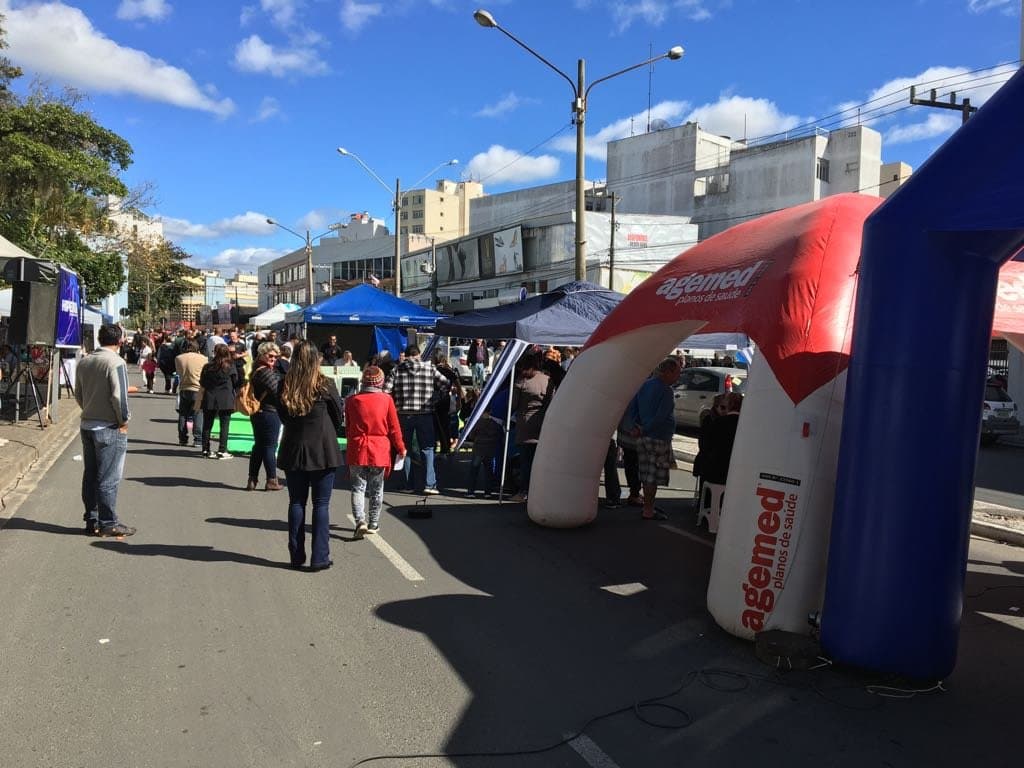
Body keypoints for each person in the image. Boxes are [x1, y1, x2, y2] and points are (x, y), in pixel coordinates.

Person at [274, 341, 344, 570]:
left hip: (294, 446)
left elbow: (283, 415)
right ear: (317, 360)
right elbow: (338, 415)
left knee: (296, 502)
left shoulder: (285, 384)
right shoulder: (325, 384)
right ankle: (319, 557)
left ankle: (296, 555)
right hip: (322, 448)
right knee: (321, 504)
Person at [74, 324, 134, 537]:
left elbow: (78, 393)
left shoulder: (85, 361)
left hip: (87, 423)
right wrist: (124, 420)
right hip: (109, 425)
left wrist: (88, 409)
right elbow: (120, 397)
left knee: (90, 475)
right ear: (119, 341)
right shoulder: (116, 362)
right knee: (109, 477)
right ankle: (108, 522)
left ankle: (91, 519)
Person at [344, 365, 406, 538]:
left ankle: (359, 521)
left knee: (358, 488)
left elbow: (348, 428)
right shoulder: (386, 400)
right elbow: (394, 429)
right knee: (376, 489)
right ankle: (373, 522)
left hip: (357, 447)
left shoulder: (351, 400)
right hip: (379, 448)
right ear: (380, 381)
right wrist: (401, 448)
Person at [383, 344, 450, 495]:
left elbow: (386, 391)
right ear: (419, 355)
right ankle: (430, 484)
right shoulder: (430, 368)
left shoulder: (396, 370)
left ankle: (407, 484)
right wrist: (435, 398)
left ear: (406, 355)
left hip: (403, 415)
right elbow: (446, 384)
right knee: (427, 449)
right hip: (425, 414)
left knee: (403, 449)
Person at [627, 357, 682, 520]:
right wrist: (645, 429)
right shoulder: (666, 390)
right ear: (668, 371)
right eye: (677, 372)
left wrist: (635, 427)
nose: (679, 376)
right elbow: (661, 416)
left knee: (645, 472)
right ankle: (648, 508)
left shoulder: (645, 385)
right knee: (653, 475)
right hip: (658, 437)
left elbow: (633, 407)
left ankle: (647, 505)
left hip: (644, 436)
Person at [510, 352, 554, 503]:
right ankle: (540, 492)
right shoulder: (548, 380)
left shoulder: (522, 382)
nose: (521, 371)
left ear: (529, 367)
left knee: (526, 462)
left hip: (525, 426)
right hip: (543, 425)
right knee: (540, 463)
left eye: (523, 368)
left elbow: (513, 405)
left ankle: (524, 492)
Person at [247, 342, 284, 491]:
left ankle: (252, 479)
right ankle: (271, 480)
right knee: (269, 446)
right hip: (269, 412)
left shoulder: (257, 369)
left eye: (276, 356)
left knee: (259, 446)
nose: (273, 358)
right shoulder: (265, 371)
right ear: (262, 354)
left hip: (259, 412)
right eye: (270, 355)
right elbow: (277, 392)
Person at [199, 344, 238, 459]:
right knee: (224, 425)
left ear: (215, 352)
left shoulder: (208, 366)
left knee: (207, 425)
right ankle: (222, 449)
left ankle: (205, 449)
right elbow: (236, 381)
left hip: (210, 397)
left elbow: (202, 382)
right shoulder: (230, 366)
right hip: (225, 398)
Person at [174, 340, 206, 447]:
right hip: (197, 388)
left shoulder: (179, 358)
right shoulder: (203, 358)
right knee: (198, 414)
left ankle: (182, 438)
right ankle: (198, 439)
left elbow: (178, 372)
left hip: (184, 388)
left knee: (183, 414)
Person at [467, 407, 503, 498]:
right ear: (490, 412)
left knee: (474, 471)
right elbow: (500, 435)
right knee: (489, 472)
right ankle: (488, 492)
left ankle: (471, 492)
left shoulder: (477, 423)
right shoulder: (495, 424)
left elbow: (471, 436)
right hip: (490, 449)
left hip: (479, 449)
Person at [431, 349, 462, 456]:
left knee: (434, 424)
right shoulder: (448, 370)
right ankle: (445, 448)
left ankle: (434, 446)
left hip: (433, 398)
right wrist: (459, 400)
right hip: (445, 399)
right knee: (445, 423)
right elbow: (458, 385)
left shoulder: (432, 370)